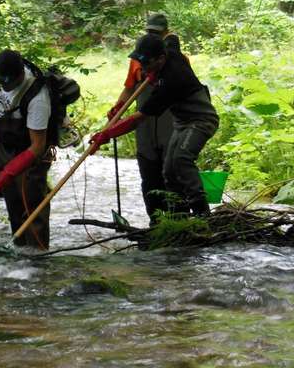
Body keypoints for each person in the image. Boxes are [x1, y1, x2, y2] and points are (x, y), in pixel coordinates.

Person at [91, 33, 219, 217]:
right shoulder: (169, 50)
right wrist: (120, 104)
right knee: (168, 170)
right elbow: (173, 38)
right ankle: (177, 216)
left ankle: (202, 213)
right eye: (140, 64)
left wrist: (107, 134)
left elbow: (138, 118)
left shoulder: (172, 80)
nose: (142, 69)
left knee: (181, 159)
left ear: (161, 59)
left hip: (201, 120)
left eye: (147, 64)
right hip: (182, 122)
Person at [106, 13, 182, 224]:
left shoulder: (176, 59)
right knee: (149, 176)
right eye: (150, 32)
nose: (153, 35)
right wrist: (118, 107)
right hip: (145, 127)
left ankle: (178, 221)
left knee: (172, 174)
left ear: (166, 32)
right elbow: (130, 87)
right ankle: (156, 223)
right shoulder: (137, 59)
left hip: (170, 124)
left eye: (157, 32)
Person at [0, 49, 53, 250]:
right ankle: (18, 254)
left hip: (29, 155)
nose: (3, 85)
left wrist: (10, 171)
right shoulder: (0, 74)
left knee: (32, 209)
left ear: (19, 76)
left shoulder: (38, 97)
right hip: (5, 148)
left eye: (8, 83)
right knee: (13, 205)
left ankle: (37, 258)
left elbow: (37, 147)